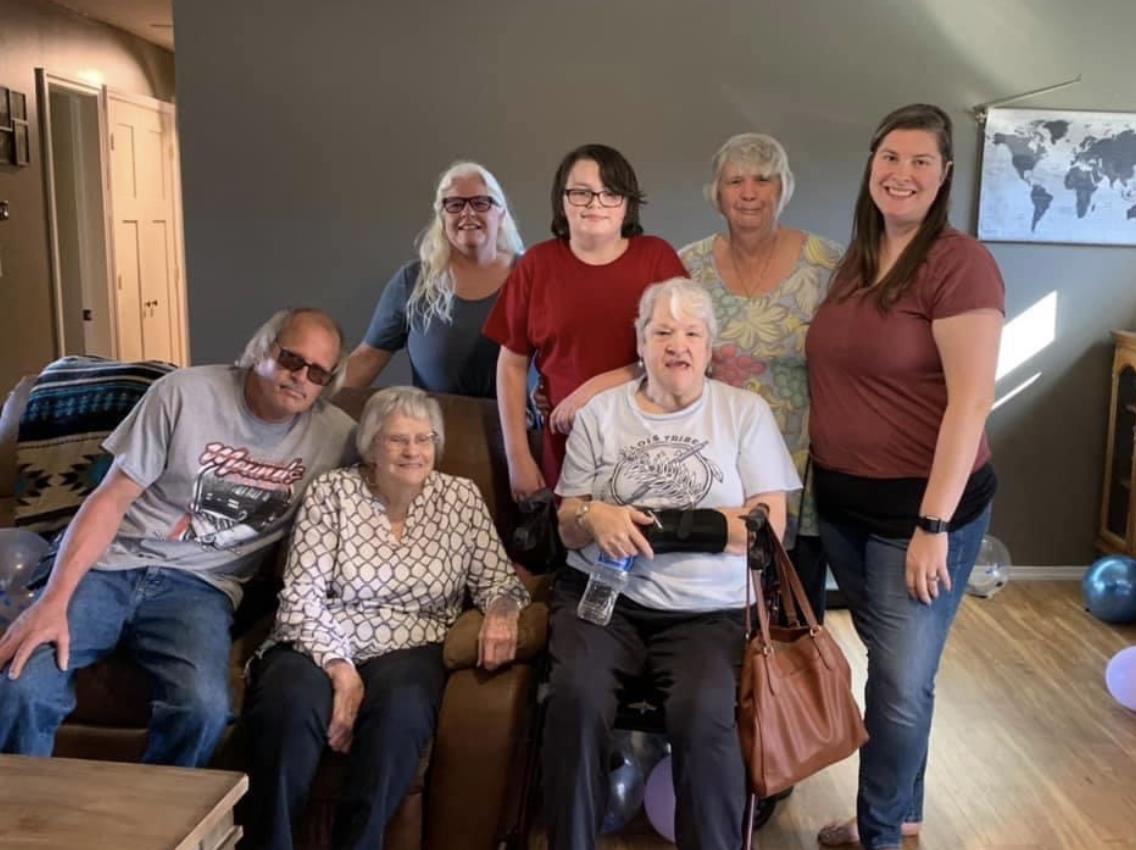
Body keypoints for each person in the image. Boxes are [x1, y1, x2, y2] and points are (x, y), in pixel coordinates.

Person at [0, 308, 355, 767]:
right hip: (109, 565)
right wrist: (53, 600)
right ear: (261, 350)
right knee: (22, 685)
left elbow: (393, 465)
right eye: (291, 359)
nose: (300, 377)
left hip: (200, 589)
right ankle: (26, 811)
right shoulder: (183, 393)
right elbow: (110, 499)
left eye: (317, 372)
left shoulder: (336, 435)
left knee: (204, 710)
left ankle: (156, 811)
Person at [806, 104, 1004, 849]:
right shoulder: (855, 260)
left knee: (895, 687)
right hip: (843, 507)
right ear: (871, 165)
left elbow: (972, 402)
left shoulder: (959, 264)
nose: (903, 173)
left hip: (919, 516)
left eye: (922, 161)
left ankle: (881, 833)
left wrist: (933, 525)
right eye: (891, 157)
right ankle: (905, 808)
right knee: (897, 673)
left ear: (944, 175)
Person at [545, 278, 800, 850]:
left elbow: (764, 530)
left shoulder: (744, 413)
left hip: (707, 612)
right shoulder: (600, 414)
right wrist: (591, 515)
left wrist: (646, 524)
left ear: (710, 348)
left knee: (704, 714)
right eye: (662, 332)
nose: (677, 345)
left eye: (691, 333)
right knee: (575, 701)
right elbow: (566, 523)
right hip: (604, 600)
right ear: (640, 343)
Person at [242, 386, 530, 850]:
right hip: (318, 639)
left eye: (424, 438)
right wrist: (342, 672)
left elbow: (500, 583)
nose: (413, 451)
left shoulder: (460, 497)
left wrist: (500, 612)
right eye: (397, 439)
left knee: (401, 712)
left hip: (413, 644)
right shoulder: (332, 493)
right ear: (372, 446)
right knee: (288, 705)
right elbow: (300, 596)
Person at [679, 131, 843, 622]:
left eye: (763, 179)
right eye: (735, 181)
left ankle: (790, 677)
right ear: (717, 192)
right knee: (718, 608)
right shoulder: (689, 266)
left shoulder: (827, 263)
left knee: (795, 613)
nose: (748, 192)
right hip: (716, 461)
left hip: (798, 463)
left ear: (783, 187)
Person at [484, 143, 688, 500]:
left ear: (627, 203)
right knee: (571, 532)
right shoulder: (536, 265)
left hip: (651, 444)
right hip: (565, 447)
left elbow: (683, 353)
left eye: (610, 193)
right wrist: (517, 457)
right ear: (562, 201)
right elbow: (512, 364)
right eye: (581, 192)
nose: (595, 204)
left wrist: (593, 390)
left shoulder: (657, 258)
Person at [345, 161, 524, 395]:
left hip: (517, 420)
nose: (467, 213)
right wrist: (314, 401)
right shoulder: (412, 281)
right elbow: (367, 358)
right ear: (441, 215)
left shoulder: (531, 275)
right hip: (436, 419)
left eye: (481, 203)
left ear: (500, 213)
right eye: (455, 205)